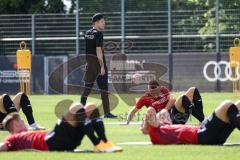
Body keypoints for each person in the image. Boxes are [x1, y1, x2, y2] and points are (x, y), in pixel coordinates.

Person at [0, 102, 123, 152]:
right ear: (15, 125)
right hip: (52, 141)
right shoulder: (13, 138)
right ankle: (98, 144)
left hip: (64, 140)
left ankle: (104, 142)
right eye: (21, 120)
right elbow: (3, 147)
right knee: (76, 107)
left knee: (91, 107)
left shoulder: (26, 134)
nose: (24, 122)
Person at [140, 99, 240, 145]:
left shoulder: (165, 128)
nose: (161, 116)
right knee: (227, 104)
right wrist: (145, 126)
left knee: (237, 105)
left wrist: (160, 115)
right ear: (150, 123)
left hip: (207, 135)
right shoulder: (155, 133)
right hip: (202, 135)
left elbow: (164, 111)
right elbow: (150, 110)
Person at [80, 13, 117, 118]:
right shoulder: (99, 33)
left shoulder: (87, 33)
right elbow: (98, 50)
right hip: (98, 64)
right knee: (104, 89)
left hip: (90, 64)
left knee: (87, 89)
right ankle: (107, 113)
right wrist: (101, 66)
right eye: (102, 21)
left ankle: (80, 111)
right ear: (96, 22)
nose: (104, 23)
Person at [127, 80, 205, 125]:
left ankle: (202, 120)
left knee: (193, 90)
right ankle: (203, 121)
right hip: (168, 122)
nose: (152, 91)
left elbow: (173, 99)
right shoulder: (145, 98)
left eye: (155, 89)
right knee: (182, 98)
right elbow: (133, 110)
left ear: (159, 87)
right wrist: (127, 122)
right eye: (150, 89)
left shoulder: (163, 90)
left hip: (174, 114)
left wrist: (165, 109)